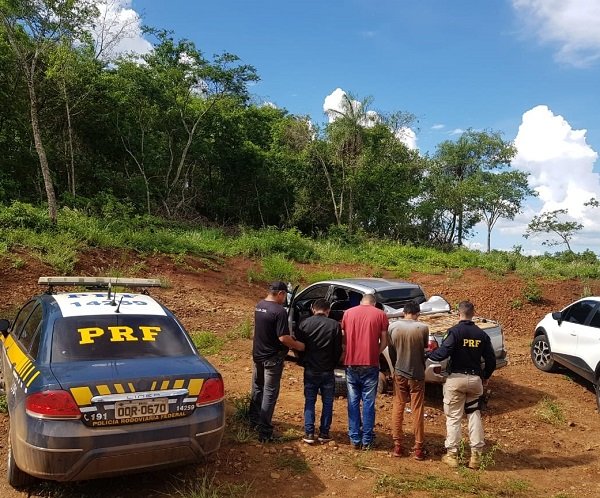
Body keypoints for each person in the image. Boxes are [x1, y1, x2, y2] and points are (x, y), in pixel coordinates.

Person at [427, 300, 496, 469]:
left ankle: (452, 455)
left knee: (454, 417)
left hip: (456, 380)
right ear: (473, 314)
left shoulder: (454, 332)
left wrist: (428, 354)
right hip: (475, 381)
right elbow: (491, 360)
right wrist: (485, 376)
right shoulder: (481, 334)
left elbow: (442, 353)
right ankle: (476, 456)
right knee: (474, 415)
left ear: (459, 314)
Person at [249, 281, 305, 443]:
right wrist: (299, 346)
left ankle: (253, 422)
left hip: (258, 355)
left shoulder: (259, 306)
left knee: (258, 388)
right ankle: (265, 432)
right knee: (270, 393)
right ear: (280, 293)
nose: (285, 298)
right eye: (285, 295)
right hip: (272, 358)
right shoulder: (279, 311)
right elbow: (283, 338)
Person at [341, 293, 389, 450]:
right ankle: (367, 439)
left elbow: (343, 337)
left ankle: (355, 438)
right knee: (368, 402)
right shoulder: (380, 315)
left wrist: (347, 351)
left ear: (361, 301)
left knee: (353, 401)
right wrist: (376, 352)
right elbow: (384, 341)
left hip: (351, 363)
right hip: (370, 364)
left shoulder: (348, 313)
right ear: (374, 303)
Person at [295, 299, 343, 444]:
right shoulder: (334, 325)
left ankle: (309, 433)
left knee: (310, 401)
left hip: (310, 368)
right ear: (328, 311)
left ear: (312, 309)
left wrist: (303, 361)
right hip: (327, 370)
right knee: (327, 403)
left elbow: (299, 347)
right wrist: (333, 364)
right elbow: (338, 350)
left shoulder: (304, 323)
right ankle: (324, 433)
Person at [387, 300, 429, 460]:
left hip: (399, 372)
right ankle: (418, 447)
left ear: (404, 312)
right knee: (417, 408)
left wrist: (395, 368)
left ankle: (398, 445)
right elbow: (424, 350)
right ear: (417, 314)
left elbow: (392, 351)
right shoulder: (423, 328)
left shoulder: (393, 327)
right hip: (417, 374)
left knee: (398, 405)